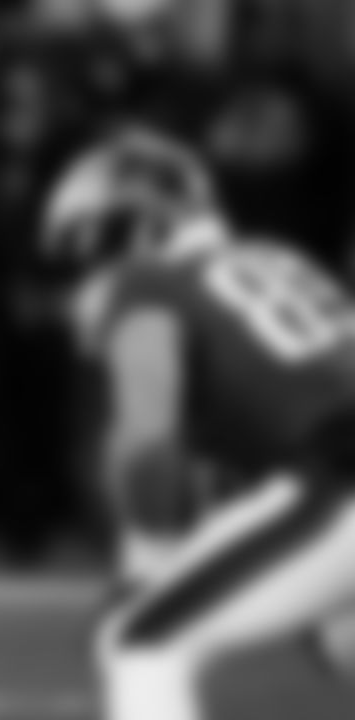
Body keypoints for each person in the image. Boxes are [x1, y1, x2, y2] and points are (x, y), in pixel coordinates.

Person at [44, 127, 355, 720]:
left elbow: (148, 445)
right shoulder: (276, 258)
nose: (83, 273)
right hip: (334, 469)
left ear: (138, 227)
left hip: (343, 475)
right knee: (345, 640)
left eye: (86, 245)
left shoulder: (150, 285)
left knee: (138, 644)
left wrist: (152, 560)